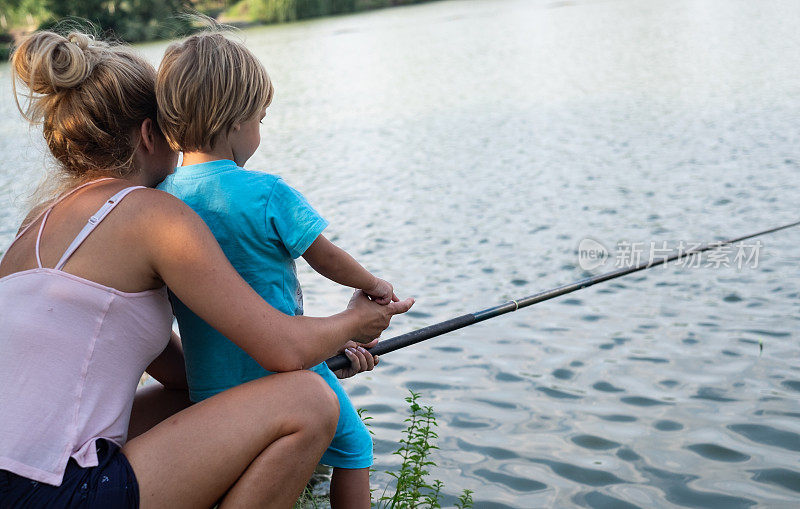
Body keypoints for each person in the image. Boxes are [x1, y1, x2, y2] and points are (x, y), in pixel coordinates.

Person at [0, 30, 414, 509]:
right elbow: (281, 351)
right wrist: (354, 322)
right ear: (150, 134)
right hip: (53, 493)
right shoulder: (148, 212)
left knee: (217, 394)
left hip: (19, 477)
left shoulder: (37, 225)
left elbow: (183, 377)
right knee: (307, 400)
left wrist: (322, 347)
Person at [155, 32, 399, 508]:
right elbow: (323, 255)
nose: (260, 132)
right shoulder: (267, 193)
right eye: (260, 119)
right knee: (354, 450)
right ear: (238, 120)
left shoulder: (159, 201)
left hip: (209, 388)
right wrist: (374, 286)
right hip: (289, 371)